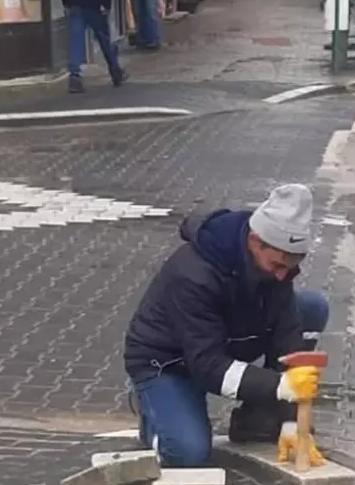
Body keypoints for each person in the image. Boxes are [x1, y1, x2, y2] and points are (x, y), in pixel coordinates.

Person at [123, 185, 331, 467]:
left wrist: (290, 421)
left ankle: (255, 419)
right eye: (277, 265)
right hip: (169, 362)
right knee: (188, 454)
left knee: (310, 307)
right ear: (256, 242)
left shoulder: (277, 266)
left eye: (291, 266)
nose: (283, 275)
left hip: (226, 342)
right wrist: (280, 386)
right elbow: (207, 365)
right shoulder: (193, 275)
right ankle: (154, 412)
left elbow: (288, 339)